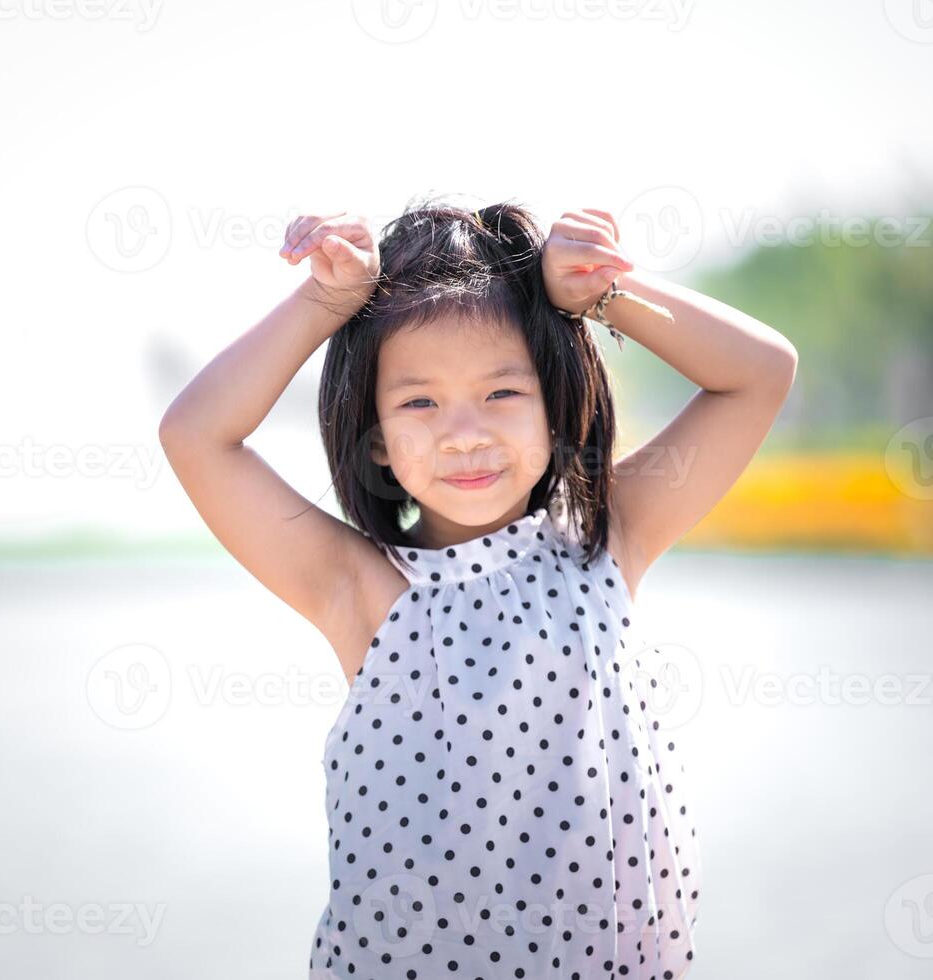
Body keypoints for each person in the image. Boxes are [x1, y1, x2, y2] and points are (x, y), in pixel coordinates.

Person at [158, 196, 799, 978]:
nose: (464, 433)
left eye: (501, 394)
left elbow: (761, 374)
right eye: (419, 402)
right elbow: (196, 436)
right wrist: (325, 301)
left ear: (555, 408)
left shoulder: (607, 539)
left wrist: (598, 294)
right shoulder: (364, 590)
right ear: (378, 440)